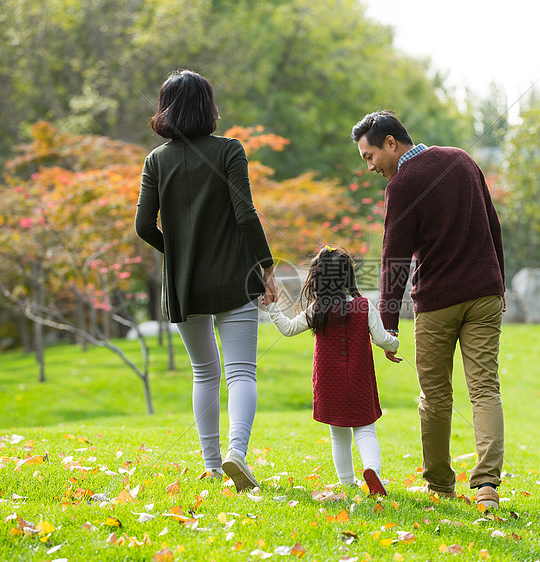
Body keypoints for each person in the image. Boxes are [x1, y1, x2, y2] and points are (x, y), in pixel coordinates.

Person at [350, 110, 506, 508]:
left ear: (390, 143)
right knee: (485, 389)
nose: (369, 167)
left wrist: (386, 326)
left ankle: (439, 485)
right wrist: (498, 282)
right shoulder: (462, 158)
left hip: (438, 301)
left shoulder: (403, 184)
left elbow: (394, 259)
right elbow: (493, 224)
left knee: (435, 396)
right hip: (485, 294)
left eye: (369, 156)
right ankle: (487, 486)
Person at [135, 69, 278, 492]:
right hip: (234, 278)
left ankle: (212, 465)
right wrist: (266, 265)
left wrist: (179, 256)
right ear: (208, 107)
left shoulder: (155, 161)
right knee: (241, 374)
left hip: (183, 285)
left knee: (204, 374)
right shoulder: (229, 150)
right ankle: (237, 452)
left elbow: (144, 226)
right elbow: (245, 214)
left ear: (166, 109)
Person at [262, 246, 399, 496]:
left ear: (318, 278)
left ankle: (347, 482)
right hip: (359, 381)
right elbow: (382, 340)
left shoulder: (317, 309)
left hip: (329, 383)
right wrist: (394, 343)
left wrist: (272, 307)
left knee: (338, 433)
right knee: (365, 429)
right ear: (349, 276)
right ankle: (372, 470)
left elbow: (288, 328)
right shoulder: (363, 306)